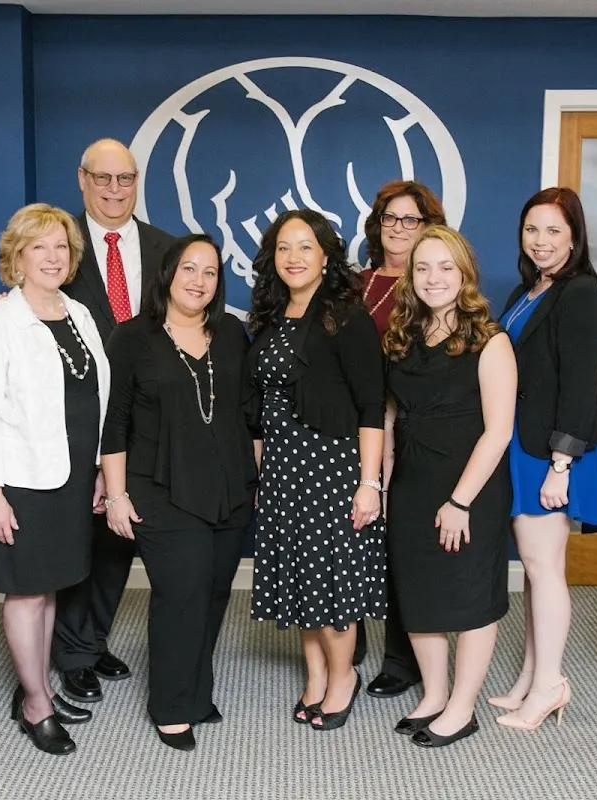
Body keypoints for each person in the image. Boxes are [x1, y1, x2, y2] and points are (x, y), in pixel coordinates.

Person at [0, 204, 110, 756]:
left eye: (61, 247)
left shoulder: (79, 313)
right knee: (26, 594)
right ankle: (35, 705)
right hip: (21, 480)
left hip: (71, 476)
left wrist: (100, 469)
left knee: (49, 588)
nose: (53, 257)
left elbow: (95, 397)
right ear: (17, 256)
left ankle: (40, 686)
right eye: (39, 247)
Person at [101, 234, 256, 752]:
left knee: (213, 592)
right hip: (160, 487)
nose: (199, 280)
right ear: (167, 274)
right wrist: (116, 495)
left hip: (230, 487)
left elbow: (250, 414)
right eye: (189, 268)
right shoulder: (132, 337)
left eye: (210, 272)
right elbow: (114, 423)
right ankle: (170, 706)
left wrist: (257, 479)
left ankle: (196, 693)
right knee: (181, 593)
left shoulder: (231, 332)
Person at [245, 208, 387, 731]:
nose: (294, 257)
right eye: (284, 247)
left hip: (333, 469)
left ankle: (343, 676)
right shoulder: (269, 316)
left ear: (326, 256)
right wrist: (262, 477)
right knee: (301, 580)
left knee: (332, 583)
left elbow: (371, 406)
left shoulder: (346, 318)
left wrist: (369, 484)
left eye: (306, 246)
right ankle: (316, 676)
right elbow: (257, 409)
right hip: (283, 472)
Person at [53, 138, 177, 705]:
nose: (113, 189)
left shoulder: (166, 249)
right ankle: (73, 652)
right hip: (75, 420)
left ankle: (92, 638)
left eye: (124, 178)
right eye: (101, 178)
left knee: (116, 539)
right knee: (78, 537)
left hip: (144, 424)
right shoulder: (59, 246)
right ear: (82, 179)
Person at [382, 225, 516, 748]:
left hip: (469, 488)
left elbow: (498, 431)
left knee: (469, 594)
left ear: (464, 274)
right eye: (422, 267)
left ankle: (462, 708)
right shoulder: (403, 337)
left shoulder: (490, 340)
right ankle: (435, 694)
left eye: (444, 267)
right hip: (412, 482)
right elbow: (390, 416)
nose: (433, 277)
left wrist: (460, 501)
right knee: (418, 592)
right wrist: (385, 486)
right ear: (410, 276)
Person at [488, 187, 597, 730]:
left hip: (553, 451)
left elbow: (581, 387)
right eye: (532, 229)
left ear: (575, 237)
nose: (541, 241)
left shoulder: (581, 293)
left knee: (544, 568)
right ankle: (530, 677)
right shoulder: (530, 287)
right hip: (524, 440)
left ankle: (550, 686)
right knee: (536, 570)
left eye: (554, 231)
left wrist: (561, 466)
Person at [357, 180, 447, 697]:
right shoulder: (355, 283)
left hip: (404, 428)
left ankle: (402, 658)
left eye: (411, 219)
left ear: (428, 227)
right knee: (351, 538)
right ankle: (348, 638)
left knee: (401, 546)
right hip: (352, 428)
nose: (398, 227)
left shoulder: (432, 289)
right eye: (390, 218)